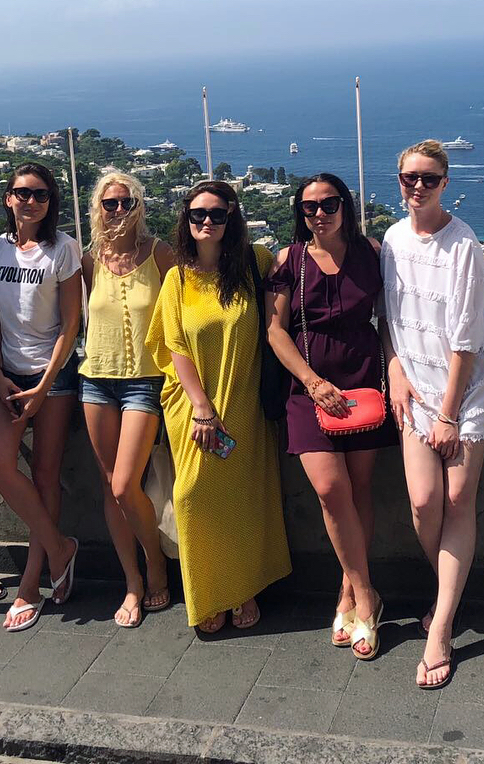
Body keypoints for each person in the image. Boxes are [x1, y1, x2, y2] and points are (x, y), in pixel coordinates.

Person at [379, 139, 484, 689]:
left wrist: (449, 415)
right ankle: (449, 589)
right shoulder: (391, 238)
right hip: (414, 385)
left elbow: (467, 340)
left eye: (429, 178)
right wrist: (394, 371)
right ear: (399, 180)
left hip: (466, 388)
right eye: (410, 177)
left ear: (445, 184)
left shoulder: (463, 246)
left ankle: (443, 623)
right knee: (422, 500)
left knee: (456, 497)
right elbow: (387, 316)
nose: (418, 186)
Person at [145, 180, 291, 632]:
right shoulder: (177, 278)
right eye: (198, 214)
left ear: (232, 218)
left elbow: (296, 268)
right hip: (193, 402)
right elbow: (174, 345)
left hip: (244, 397)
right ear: (186, 220)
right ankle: (208, 592)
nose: (207, 221)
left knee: (242, 495)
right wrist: (202, 407)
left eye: (217, 214)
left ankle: (242, 587)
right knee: (192, 495)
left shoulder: (255, 263)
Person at [265, 173, 397, 659]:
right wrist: (313, 383)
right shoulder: (289, 259)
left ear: (345, 206)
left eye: (329, 204)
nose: (319, 213)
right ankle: (367, 596)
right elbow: (275, 331)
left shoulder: (372, 252)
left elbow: (392, 319)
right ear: (299, 213)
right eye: (309, 207)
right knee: (329, 488)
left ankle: (347, 593)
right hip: (309, 388)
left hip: (363, 382)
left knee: (358, 489)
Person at [0, 163, 81, 632]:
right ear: (8, 198)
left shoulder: (63, 249)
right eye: (23, 193)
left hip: (52, 375)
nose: (32, 201)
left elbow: (71, 324)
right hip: (8, 375)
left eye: (41, 194)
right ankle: (61, 548)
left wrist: (46, 383)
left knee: (44, 475)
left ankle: (30, 584)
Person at [79, 172, 175, 628]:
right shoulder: (89, 260)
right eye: (110, 203)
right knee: (109, 487)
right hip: (96, 379)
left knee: (124, 485)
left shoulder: (159, 253)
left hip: (145, 381)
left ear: (140, 206)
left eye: (127, 202)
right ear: (97, 208)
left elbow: (183, 308)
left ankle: (155, 564)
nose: (118, 210)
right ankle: (132, 581)